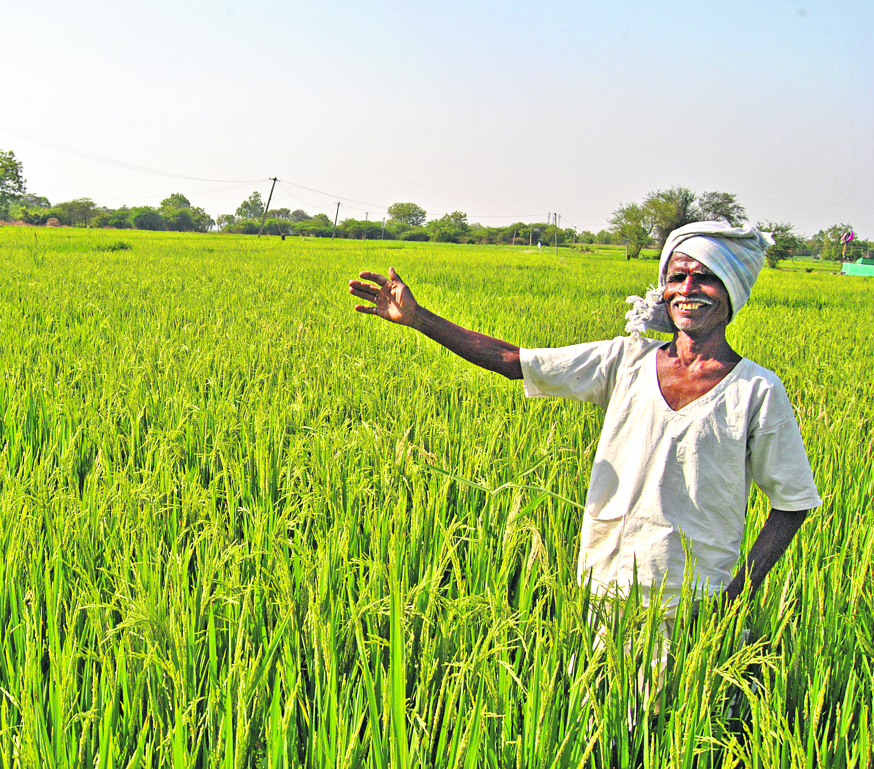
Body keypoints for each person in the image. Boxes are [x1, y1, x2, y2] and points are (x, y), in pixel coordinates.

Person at [347, 221, 821, 619]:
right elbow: (515, 361)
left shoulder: (755, 390)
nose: (687, 291)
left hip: (694, 604)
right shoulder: (625, 361)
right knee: (600, 721)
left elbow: (792, 501)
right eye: (678, 277)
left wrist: (737, 595)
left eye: (707, 279)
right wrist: (420, 318)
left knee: (678, 725)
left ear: (732, 291)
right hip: (605, 587)